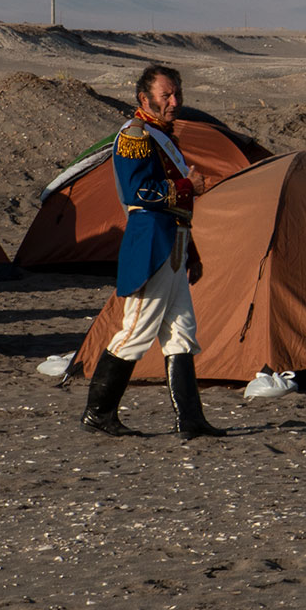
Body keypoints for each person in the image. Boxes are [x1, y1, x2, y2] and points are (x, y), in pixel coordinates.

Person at [79, 64, 226, 439]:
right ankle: (98, 413)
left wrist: (189, 250)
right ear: (145, 99)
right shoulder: (134, 136)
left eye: (177, 94)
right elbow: (136, 194)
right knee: (136, 331)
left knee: (182, 333)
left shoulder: (162, 136)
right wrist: (187, 186)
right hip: (151, 244)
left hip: (172, 243)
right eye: (167, 95)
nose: (174, 101)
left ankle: (190, 420)